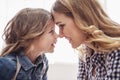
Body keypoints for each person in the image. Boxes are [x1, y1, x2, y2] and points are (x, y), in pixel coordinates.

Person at [51, 0, 120, 80]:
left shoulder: (117, 52)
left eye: (62, 25)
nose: (60, 35)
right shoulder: (84, 51)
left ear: (81, 18)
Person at [0, 8, 58, 80]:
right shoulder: (6, 65)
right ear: (33, 35)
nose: (57, 35)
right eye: (51, 31)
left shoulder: (43, 63)